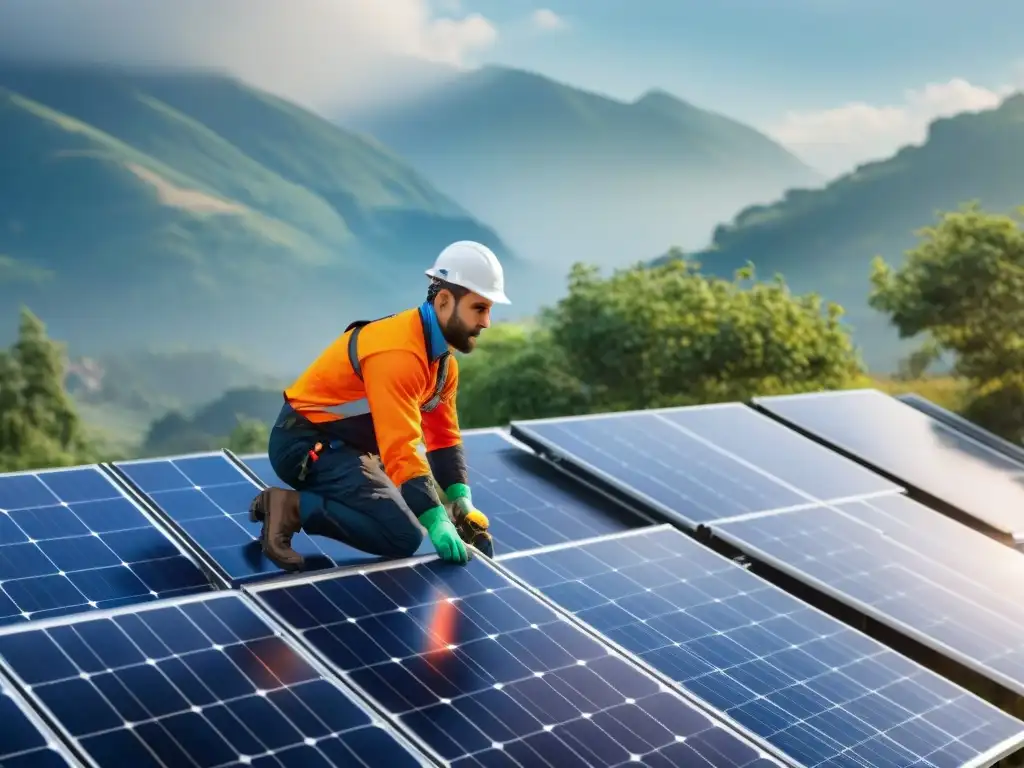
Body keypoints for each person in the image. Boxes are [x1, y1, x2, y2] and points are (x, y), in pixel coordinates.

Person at [248, 241, 509, 571]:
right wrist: (436, 522)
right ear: (444, 301)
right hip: (304, 445)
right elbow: (401, 448)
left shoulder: (442, 364)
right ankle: (289, 507)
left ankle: (309, 501)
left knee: (418, 497)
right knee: (403, 535)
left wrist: (460, 503)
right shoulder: (397, 355)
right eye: (479, 308)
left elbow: (443, 437)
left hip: (351, 447)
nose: (487, 322)